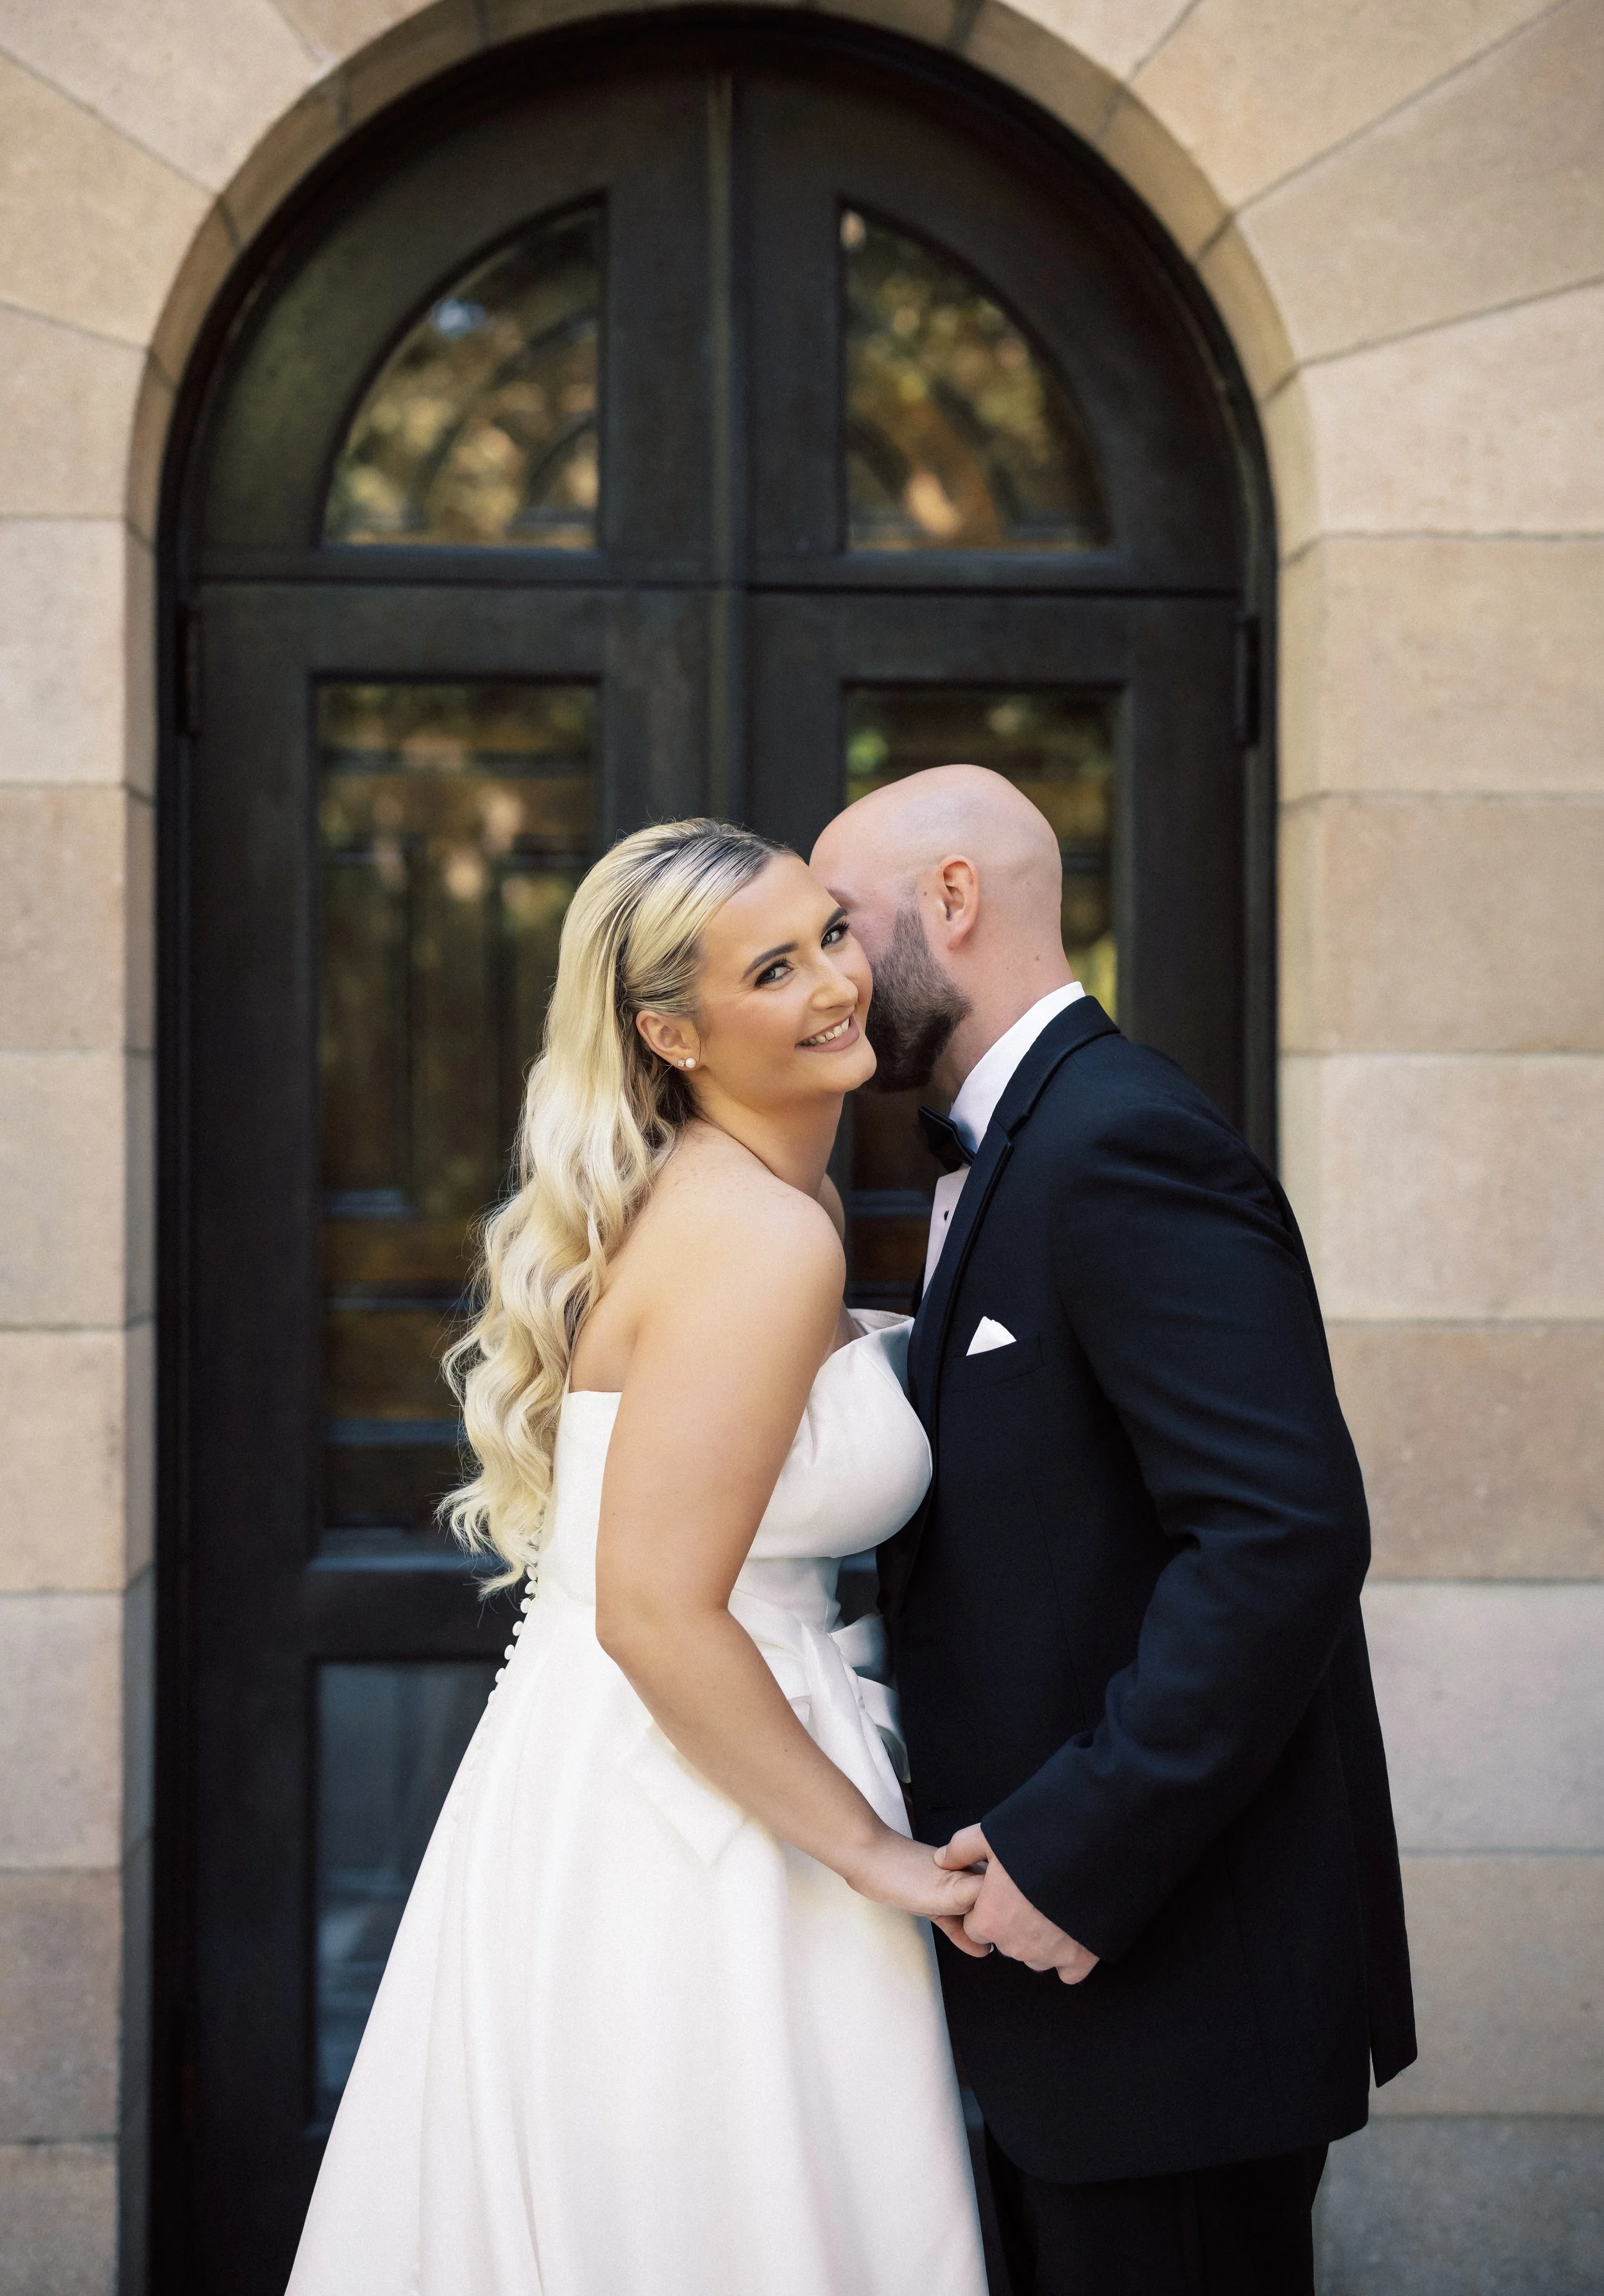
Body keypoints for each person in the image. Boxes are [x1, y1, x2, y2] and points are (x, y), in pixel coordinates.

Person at [285, 819, 989, 2296]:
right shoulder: (759, 1233)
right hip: (699, 1804)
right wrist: (875, 1855)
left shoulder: (717, 1198)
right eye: (773, 967)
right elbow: (657, 1608)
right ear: (671, 1028)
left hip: (618, 1764)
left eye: (831, 937)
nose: (834, 984)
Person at [812, 766, 1417, 2296]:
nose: (823, 973)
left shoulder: (1120, 1139)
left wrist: (1072, 1853)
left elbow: (1278, 1534)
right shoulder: (1015, 1144)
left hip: (1161, 1972)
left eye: (839, 925)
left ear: (950, 902)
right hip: (1058, 2000)